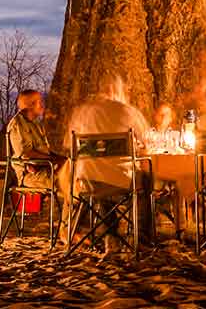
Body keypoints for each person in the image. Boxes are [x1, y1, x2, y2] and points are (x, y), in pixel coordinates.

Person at [63, 78, 151, 249]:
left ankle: (110, 234)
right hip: (121, 182)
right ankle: (142, 236)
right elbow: (146, 141)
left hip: (87, 183)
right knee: (146, 179)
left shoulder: (82, 112)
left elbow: (70, 146)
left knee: (100, 173)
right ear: (118, 91)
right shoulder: (128, 111)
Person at [5, 88, 62, 189]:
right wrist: (54, 160)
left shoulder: (37, 124)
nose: (42, 105)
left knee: (74, 173)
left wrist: (62, 159)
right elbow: (27, 154)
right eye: (39, 102)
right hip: (29, 176)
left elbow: (46, 152)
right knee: (68, 182)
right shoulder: (17, 125)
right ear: (30, 105)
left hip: (45, 169)